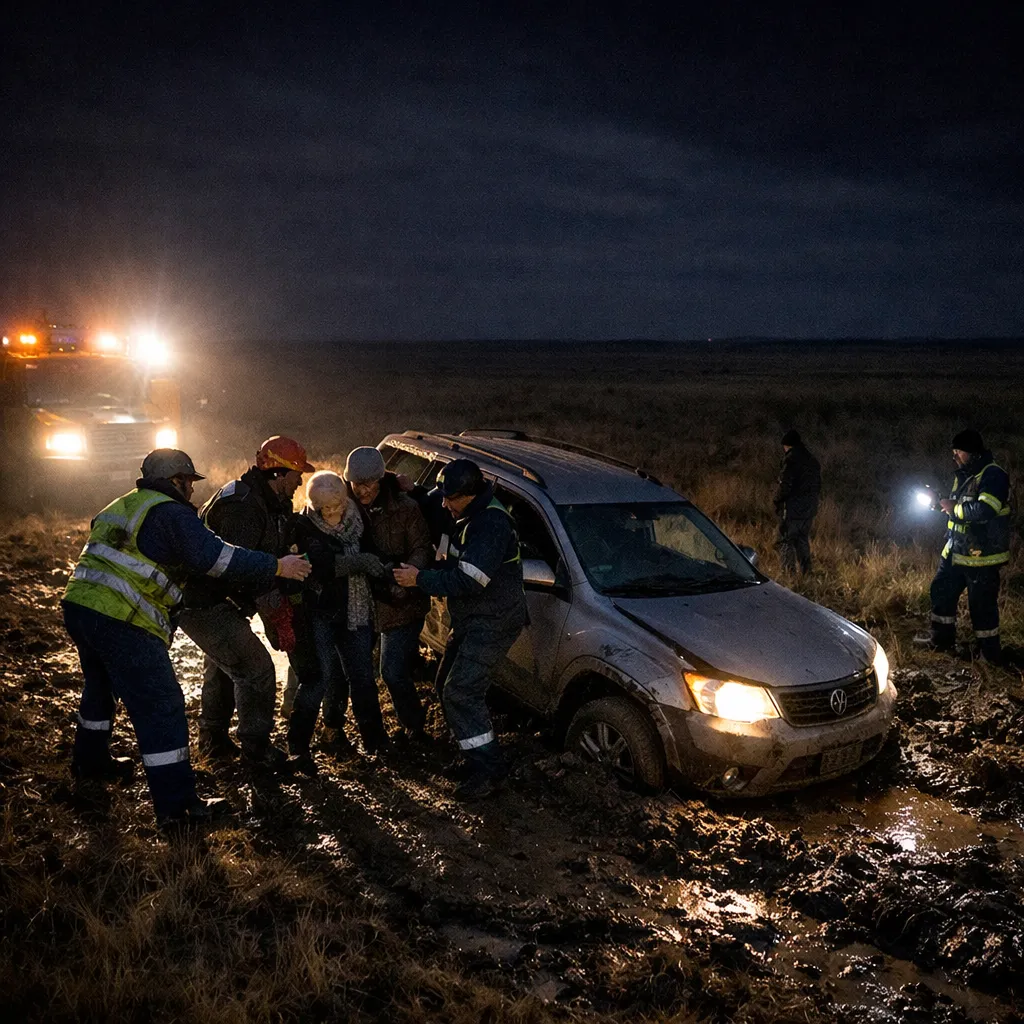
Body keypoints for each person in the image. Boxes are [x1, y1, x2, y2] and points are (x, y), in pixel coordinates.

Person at [62, 448, 311, 828]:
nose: (193, 492)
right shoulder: (172, 513)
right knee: (162, 706)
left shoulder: (126, 503)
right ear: (177, 481)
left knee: (99, 688)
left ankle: (90, 764)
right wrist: (278, 565)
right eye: (189, 484)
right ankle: (177, 808)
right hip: (122, 620)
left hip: (81, 607)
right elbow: (217, 560)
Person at [177, 435, 317, 767]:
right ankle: (256, 749)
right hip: (206, 603)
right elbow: (237, 569)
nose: (300, 482)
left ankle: (213, 743)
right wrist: (273, 607)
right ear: (279, 474)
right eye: (297, 475)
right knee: (256, 669)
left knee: (225, 666)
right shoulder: (242, 509)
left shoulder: (262, 501)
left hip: (211, 602)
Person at [393, 459, 526, 798]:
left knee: (461, 691)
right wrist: (417, 491)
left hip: (493, 621)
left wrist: (419, 579)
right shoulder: (466, 512)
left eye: (449, 498)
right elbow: (438, 510)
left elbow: (470, 580)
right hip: (471, 619)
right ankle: (473, 757)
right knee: (445, 684)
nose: (443, 504)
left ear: (469, 494)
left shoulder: (492, 525)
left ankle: (490, 771)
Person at [288, 469, 390, 761]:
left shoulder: (360, 520)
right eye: (326, 508)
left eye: (338, 505)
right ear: (315, 506)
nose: (334, 511)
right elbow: (317, 565)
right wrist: (359, 562)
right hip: (320, 611)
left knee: (362, 676)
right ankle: (314, 739)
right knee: (324, 676)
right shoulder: (304, 526)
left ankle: (375, 739)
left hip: (356, 612)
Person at [345, 447, 432, 742]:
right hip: (362, 603)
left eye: (369, 484)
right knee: (357, 673)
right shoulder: (343, 506)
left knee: (392, 672)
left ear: (381, 481)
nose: (363, 491)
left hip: (402, 601)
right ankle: (371, 734)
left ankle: (415, 727)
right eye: (357, 484)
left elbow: (421, 547)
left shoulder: (406, 508)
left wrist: (408, 575)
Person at [914, 429, 1011, 663]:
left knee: (981, 606)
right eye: (953, 452)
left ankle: (989, 655)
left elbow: (986, 509)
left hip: (981, 556)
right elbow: (959, 508)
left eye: (959, 452)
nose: (955, 457)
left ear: (973, 453)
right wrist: (939, 504)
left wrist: (954, 508)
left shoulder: (993, 475)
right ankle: (941, 640)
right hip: (956, 552)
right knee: (941, 591)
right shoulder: (965, 475)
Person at [773, 429, 821, 574]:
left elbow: (785, 485)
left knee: (785, 540)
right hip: (809, 509)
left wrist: (777, 500)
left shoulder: (791, 459)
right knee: (802, 539)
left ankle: (789, 575)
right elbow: (818, 485)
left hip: (793, 508)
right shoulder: (812, 460)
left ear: (787, 445)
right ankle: (807, 572)